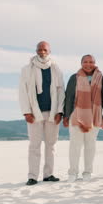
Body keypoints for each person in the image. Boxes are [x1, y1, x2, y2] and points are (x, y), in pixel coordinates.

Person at [19, 41, 65, 186]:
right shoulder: (27, 69)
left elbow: (60, 91)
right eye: (39, 49)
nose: (42, 52)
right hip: (34, 113)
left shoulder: (56, 69)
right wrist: (26, 111)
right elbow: (22, 92)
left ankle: (48, 174)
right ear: (36, 51)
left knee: (51, 145)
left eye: (44, 49)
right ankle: (32, 176)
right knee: (34, 145)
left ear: (49, 51)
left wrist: (60, 111)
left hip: (52, 113)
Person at [63, 55, 103, 182]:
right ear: (81, 63)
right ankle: (72, 173)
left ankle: (87, 172)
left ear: (95, 63)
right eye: (85, 62)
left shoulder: (101, 78)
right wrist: (66, 115)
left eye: (91, 62)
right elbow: (68, 97)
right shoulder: (74, 77)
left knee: (90, 145)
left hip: (95, 116)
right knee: (75, 146)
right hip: (76, 116)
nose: (88, 64)